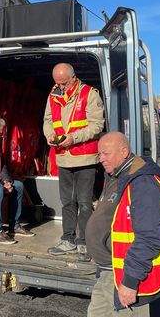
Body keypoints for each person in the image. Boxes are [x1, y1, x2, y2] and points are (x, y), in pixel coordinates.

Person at [85, 132, 160, 317]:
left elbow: (150, 237)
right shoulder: (118, 174)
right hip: (109, 272)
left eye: (106, 153)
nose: (101, 159)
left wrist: (130, 282)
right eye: (100, 154)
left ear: (124, 151)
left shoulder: (143, 183)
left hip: (124, 277)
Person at [43, 63, 105, 260]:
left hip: (85, 157)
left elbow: (97, 125)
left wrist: (73, 138)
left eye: (64, 82)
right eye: (57, 83)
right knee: (67, 202)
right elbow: (48, 120)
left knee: (85, 202)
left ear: (73, 77)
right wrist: (50, 135)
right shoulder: (53, 95)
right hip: (63, 157)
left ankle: (84, 243)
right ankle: (67, 240)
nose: (61, 86)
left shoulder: (89, 93)